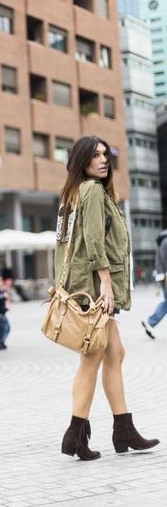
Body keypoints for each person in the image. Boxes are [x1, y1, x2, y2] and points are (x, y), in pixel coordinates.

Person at [55, 136, 159, 460]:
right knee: (92, 361)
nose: (102, 160)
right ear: (81, 160)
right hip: (95, 290)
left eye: (105, 154)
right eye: (95, 155)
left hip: (84, 286)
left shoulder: (73, 192)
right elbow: (93, 241)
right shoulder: (93, 191)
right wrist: (105, 282)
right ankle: (75, 434)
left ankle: (123, 429)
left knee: (115, 354)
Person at [142, 229, 167, 339]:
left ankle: (150, 322)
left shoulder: (162, 241)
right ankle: (150, 321)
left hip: (162, 276)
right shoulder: (166, 242)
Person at [0, 274, 10, 350]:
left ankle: (2, 341)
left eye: (1, 280)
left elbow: (7, 299)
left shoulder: (1, 291)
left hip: (4, 313)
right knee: (2, 329)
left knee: (8, 328)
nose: (0, 282)